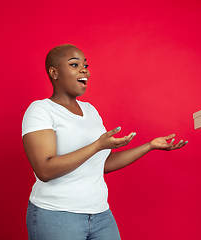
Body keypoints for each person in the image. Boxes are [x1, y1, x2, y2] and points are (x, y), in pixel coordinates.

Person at [21, 44, 188, 240]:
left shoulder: (90, 110)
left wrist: (149, 146)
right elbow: (45, 170)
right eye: (74, 64)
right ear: (54, 72)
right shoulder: (41, 110)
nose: (84, 70)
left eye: (85, 65)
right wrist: (97, 145)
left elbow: (102, 164)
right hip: (57, 213)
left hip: (100, 214)